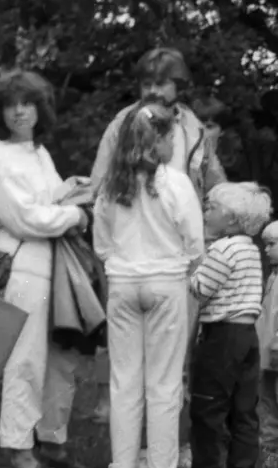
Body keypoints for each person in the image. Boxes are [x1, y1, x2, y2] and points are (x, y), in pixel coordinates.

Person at [89, 48, 228, 446]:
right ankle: (131, 454)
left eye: (161, 82)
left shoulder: (193, 126)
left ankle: (169, 446)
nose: (152, 89)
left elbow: (209, 176)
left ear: (178, 86)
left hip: (177, 250)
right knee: (129, 363)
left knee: (175, 358)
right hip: (131, 246)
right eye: (146, 82)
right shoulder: (123, 122)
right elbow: (101, 180)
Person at [0, 70, 94, 468]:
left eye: (27, 103)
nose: (20, 111)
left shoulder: (38, 153)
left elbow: (43, 202)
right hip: (22, 260)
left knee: (60, 354)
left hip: (53, 261)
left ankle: (51, 439)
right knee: (25, 357)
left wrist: (71, 190)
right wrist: (75, 215)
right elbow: (24, 218)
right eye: (11, 105)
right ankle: (19, 451)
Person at [92, 103, 204, 468]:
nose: (175, 142)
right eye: (171, 135)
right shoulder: (175, 183)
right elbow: (195, 243)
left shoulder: (110, 186)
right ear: (158, 140)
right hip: (165, 283)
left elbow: (102, 244)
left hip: (123, 283)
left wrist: (122, 266)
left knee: (124, 381)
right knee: (164, 383)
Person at [185, 181, 271, 468]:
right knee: (244, 407)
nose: (206, 211)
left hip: (222, 335)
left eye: (212, 208)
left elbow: (201, 289)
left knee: (208, 404)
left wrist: (189, 270)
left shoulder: (222, 249)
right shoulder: (251, 249)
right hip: (247, 335)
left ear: (232, 219)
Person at [255, 221, 278, 455]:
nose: (266, 249)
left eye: (271, 244)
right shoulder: (272, 277)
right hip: (266, 352)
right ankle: (270, 450)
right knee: (267, 398)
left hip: (276, 350)